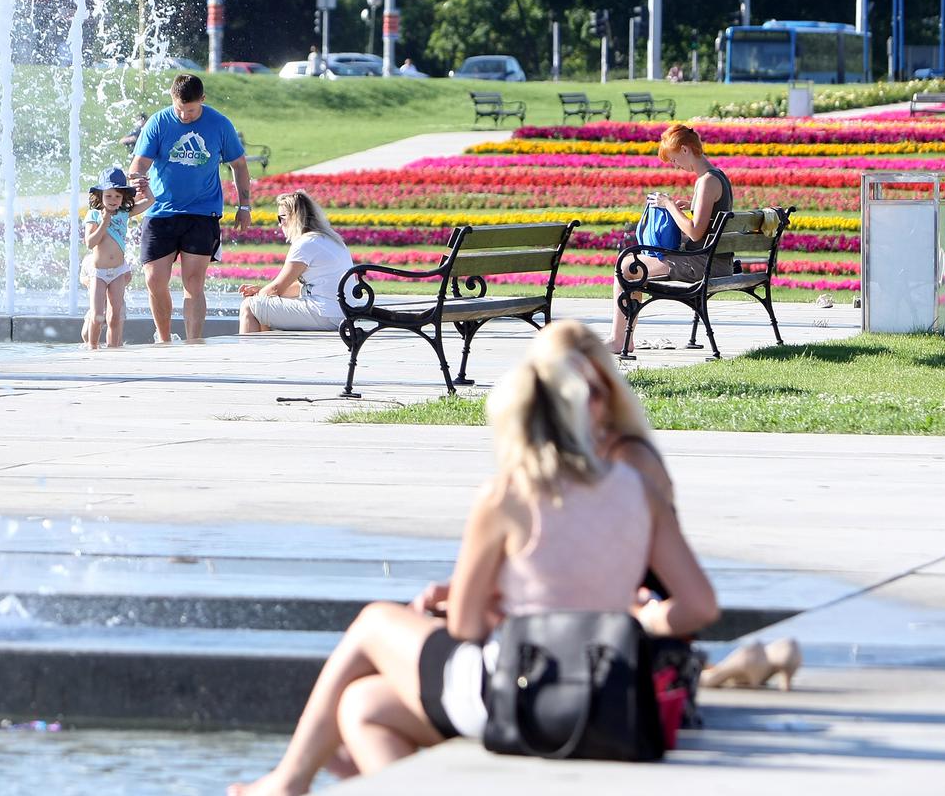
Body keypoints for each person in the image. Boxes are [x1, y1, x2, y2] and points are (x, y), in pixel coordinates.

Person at [228, 322, 719, 794]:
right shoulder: (638, 488)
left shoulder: (507, 494)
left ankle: (288, 782)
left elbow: (465, 626)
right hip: (603, 684)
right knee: (361, 705)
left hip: (520, 683)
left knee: (375, 621)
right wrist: (642, 617)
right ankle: (296, 778)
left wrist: (492, 605)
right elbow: (699, 605)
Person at [128, 74, 251, 343]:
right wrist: (136, 181)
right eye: (179, 109)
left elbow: (239, 165)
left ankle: (193, 342)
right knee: (154, 280)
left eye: (192, 110)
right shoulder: (159, 122)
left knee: (194, 283)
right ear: (172, 99)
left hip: (202, 212)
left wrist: (244, 205)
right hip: (161, 211)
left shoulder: (219, 124)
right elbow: (139, 163)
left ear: (202, 100)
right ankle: (164, 339)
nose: (184, 116)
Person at [607, 122, 734, 354]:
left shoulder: (707, 181)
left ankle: (619, 340)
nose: (675, 166)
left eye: (674, 159)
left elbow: (695, 232)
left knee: (625, 267)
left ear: (685, 149)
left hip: (705, 265)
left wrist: (669, 205)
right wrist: (689, 207)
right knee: (632, 265)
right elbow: (704, 228)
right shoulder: (718, 176)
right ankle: (623, 339)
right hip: (715, 261)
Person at [239, 190, 355, 333]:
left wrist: (258, 295)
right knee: (262, 305)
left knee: (249, 306)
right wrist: (261, 291)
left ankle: (247, 348)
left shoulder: (305, 243)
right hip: (341, 313)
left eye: (281, 218)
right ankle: (264, 346)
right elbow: (299, 287)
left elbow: (277, 289)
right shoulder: (329, 239)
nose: (280, 224)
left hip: (325, 314)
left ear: (294, 217)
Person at [81, 166, 152, 349]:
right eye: (109, 195)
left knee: (115, 315)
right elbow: (90, 243)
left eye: (117, 196)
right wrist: (104, 222)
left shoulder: (124, 213)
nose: (113, 200)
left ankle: (113, 349)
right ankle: (92, 348)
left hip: (118, 272)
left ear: (123, 198)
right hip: (98, 273)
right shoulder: (94, 214)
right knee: (98, 315)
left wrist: (144, 185)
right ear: (100, 195)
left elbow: (150, 200)